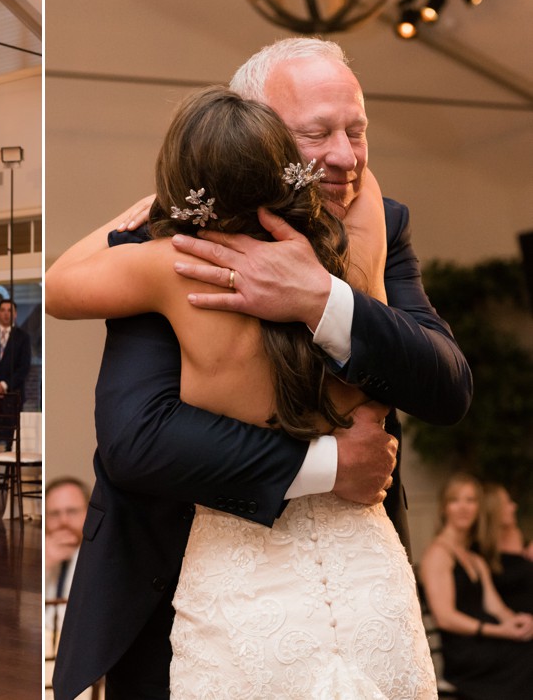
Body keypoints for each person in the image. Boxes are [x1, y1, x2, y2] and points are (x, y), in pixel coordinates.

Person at [48, 38, 472, 700]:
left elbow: (446, 384)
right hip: (181, 578)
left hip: (342, 577)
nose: (346, 155)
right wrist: (335, 466)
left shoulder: (166, 257)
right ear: (262, 136)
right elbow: (138, 440)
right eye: (317, 134)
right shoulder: (345, 240)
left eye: (357, 130)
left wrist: (318, 299)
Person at [419, 474, 533, 699]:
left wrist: (518, 621)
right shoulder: (438, 554)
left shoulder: (475, 558)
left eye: (471, 500)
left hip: (489, 642)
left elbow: (496, 608)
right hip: (467, 654)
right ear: (444, 508)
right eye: (455, 500)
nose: (464, 508)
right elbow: (445, 617)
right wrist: (499, 631)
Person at [45, 477, 89, 644]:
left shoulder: (105, 559)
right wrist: (46, 563)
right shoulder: (44, 552)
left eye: (72, 511)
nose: (63, 521)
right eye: (55, 514)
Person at [479, 483, 533, 614]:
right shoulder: (481, 551)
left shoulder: (519, 535)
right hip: (516, 623)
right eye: (508, 503)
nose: (514, 507)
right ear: (493, 510)